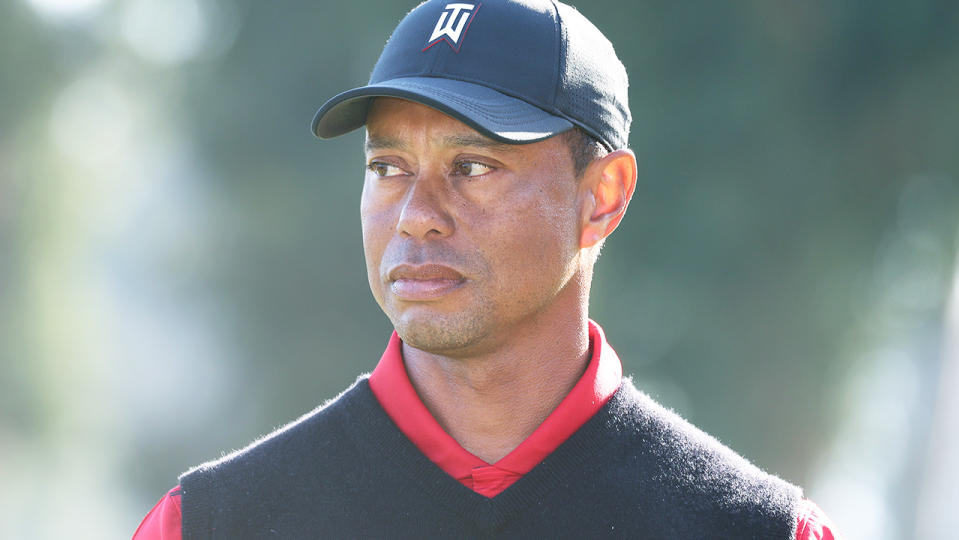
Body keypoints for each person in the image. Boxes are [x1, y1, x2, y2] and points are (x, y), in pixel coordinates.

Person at [134, 1, 841, 538]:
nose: (416, 214)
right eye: (387, 167)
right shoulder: (209, 524)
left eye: (472, 166)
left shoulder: (755, 530)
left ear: (602, 196)